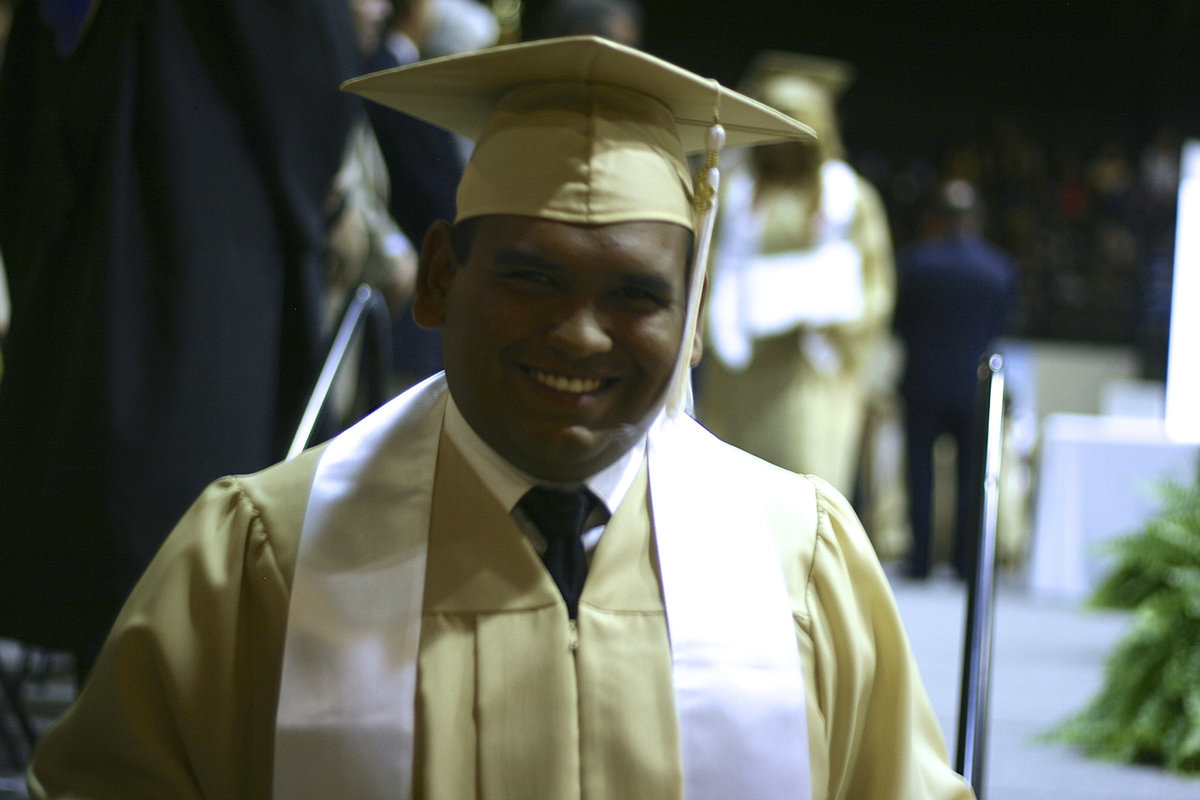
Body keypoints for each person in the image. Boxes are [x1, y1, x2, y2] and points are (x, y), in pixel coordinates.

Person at [26, 36, 975, 800]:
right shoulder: (264, 550)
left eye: (636, 296)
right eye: (530, 278)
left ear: (688, 316)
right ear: (439, 278)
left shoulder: (798, 558)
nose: (581, 335)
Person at [0, 0, 361, 680]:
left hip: (78, 313)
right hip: (200, 296)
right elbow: (314, 78)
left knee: (110, 639)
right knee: (197, 626)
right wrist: (326, 209)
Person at [697, 51, 896, 499]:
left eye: (792, 129)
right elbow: (704, 271)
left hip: (812, 365)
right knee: (735, 487)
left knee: (805, 487)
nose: (779, 143)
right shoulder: (734, 194)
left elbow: (876, 284)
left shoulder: (850, 198)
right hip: (742, 367)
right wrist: (713, 321)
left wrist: (837, 317)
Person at [893, 179, 1017, 580]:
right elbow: (1001, 327)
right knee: (971, 477)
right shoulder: (999, 268)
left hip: (923, 381)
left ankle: (922, 560)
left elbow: (901, 325)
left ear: (935, 218)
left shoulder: (916, 263)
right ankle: (966, 563)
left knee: (920, 476)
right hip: (974, 385)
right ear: (977, 219)